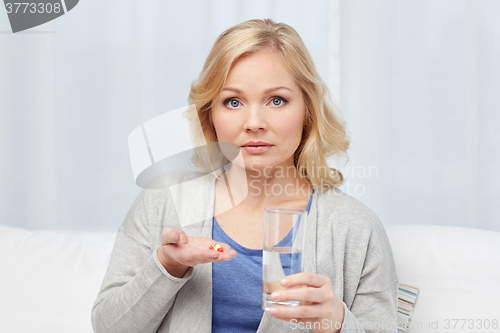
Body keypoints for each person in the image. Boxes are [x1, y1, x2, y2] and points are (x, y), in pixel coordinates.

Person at [91, 19, 398, 333]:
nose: (254, 122)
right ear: (209, 115)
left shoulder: (355, 227)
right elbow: (108, 327)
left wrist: (337, 321)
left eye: (277, 100)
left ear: (308, 111)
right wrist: (167, 267)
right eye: (233, 102)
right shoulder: (163, 200)